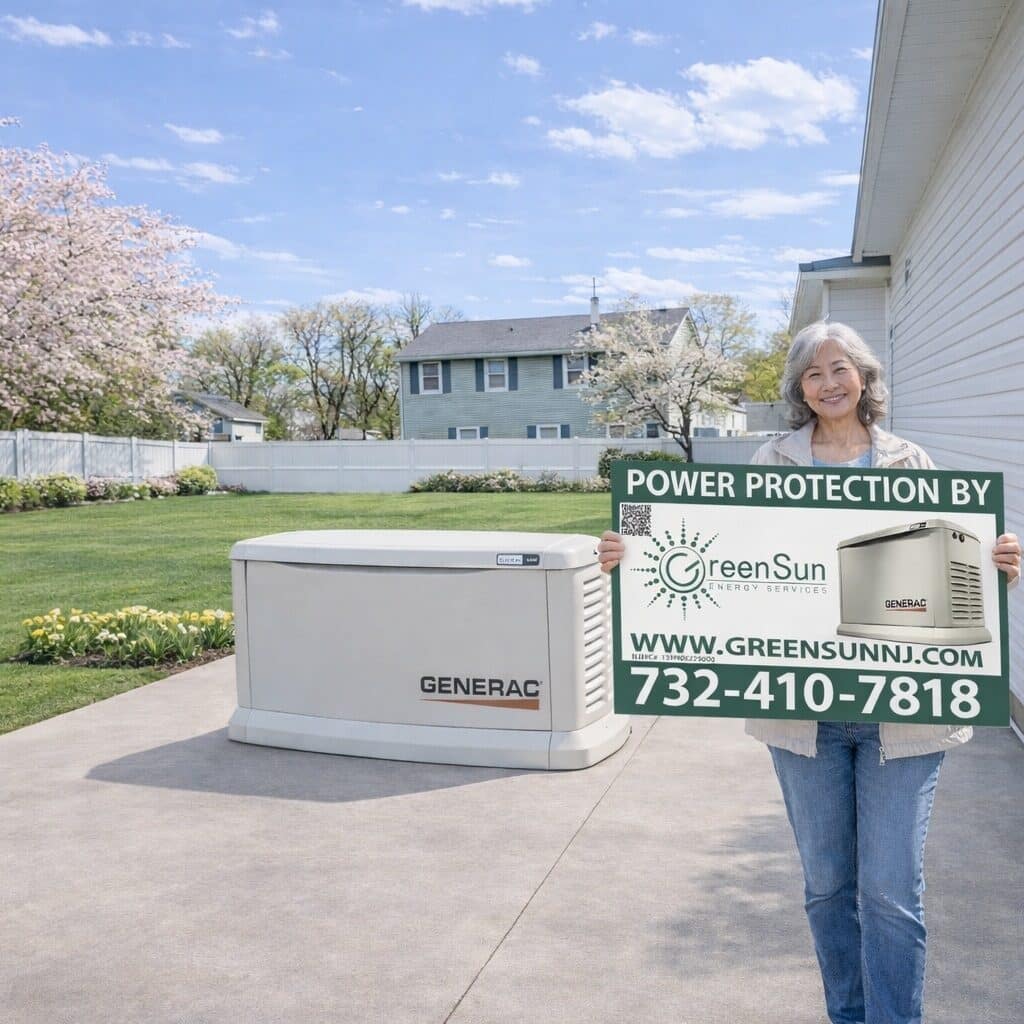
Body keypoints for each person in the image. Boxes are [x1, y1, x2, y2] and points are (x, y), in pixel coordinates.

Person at [596, 320, 1020, 1024]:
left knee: (889, 893)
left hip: (903, 716)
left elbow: (951, 577)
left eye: (840, 368)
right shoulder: (771, 460)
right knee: (827, 888)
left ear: (865, 378)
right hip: (802, 717)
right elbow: (712, 549)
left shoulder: (909, 460)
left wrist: (995, 566)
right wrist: (630, 556)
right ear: (799, 387)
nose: (828, 382)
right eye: (813, 372)